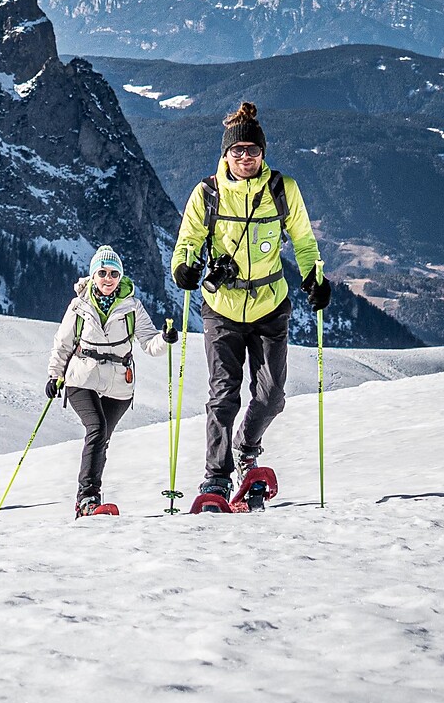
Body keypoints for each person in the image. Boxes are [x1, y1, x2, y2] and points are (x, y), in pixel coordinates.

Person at [171, 101, 329, 506]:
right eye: (237, 151)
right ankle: (216, 478)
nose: (245, 157)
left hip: (270, 305)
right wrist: (183, 269)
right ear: (225, 154)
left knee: (273, 394)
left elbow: (304, 240)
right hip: (221, 307)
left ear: (263, 154)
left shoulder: (282, 189)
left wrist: (315, 277)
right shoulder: (207, 193)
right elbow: (187, 242)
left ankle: (246, 446)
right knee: (224, 395)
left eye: (252, 151)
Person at [46, 247, 164, 515]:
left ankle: (87, 500)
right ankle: (88, 498)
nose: (108, 278)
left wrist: (164, 340)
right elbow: (63, 343)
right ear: (93, 275)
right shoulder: (79, 305)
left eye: (113, 273)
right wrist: (55, 375)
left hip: (119, 384)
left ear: (120, 277)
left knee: (102, 438)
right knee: (97, 429)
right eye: (102, 273)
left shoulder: (132, 306)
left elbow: (149, 343)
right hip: (81, 377)